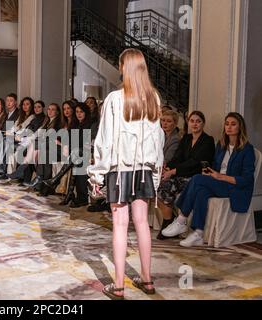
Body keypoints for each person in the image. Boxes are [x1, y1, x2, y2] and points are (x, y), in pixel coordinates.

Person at [87, 48, 165, 300]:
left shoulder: (114, 98)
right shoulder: (154, 98)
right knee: (142, 223)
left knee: (120, 225)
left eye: (120, 64)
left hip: (119, 169)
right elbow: (158, 143)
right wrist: (156, 175)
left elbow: (105, 141)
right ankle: (147, 280)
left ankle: (119, 285)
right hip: (143, 170)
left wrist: (96, 175)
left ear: (124, 67)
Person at [162, 113, 256, 247]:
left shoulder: (247, 149)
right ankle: (199, 233)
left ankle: (181, 219)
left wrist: (220, 176)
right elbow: (215, 167)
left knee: (196, 179)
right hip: (219, 183)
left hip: (235, 188)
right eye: (227, 124)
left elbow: (246, 180)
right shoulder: (221, 145)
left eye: (233, 124)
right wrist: (209, 172)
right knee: (201, 190)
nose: (229, 127)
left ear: (240, 127)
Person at [157, 111, 215, 240]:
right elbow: (178, 157)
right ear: (188, 123)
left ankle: (175, 223)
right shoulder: (186, 138)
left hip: (196, 177)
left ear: (203, 124)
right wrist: (167, 168)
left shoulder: (208, 140)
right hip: (180, 174)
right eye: (192, 121)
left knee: (171, 185)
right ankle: (168, 220)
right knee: (160, 185)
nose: (194, 124)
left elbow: (194, 162)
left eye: (198, 121)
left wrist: (173, 171)